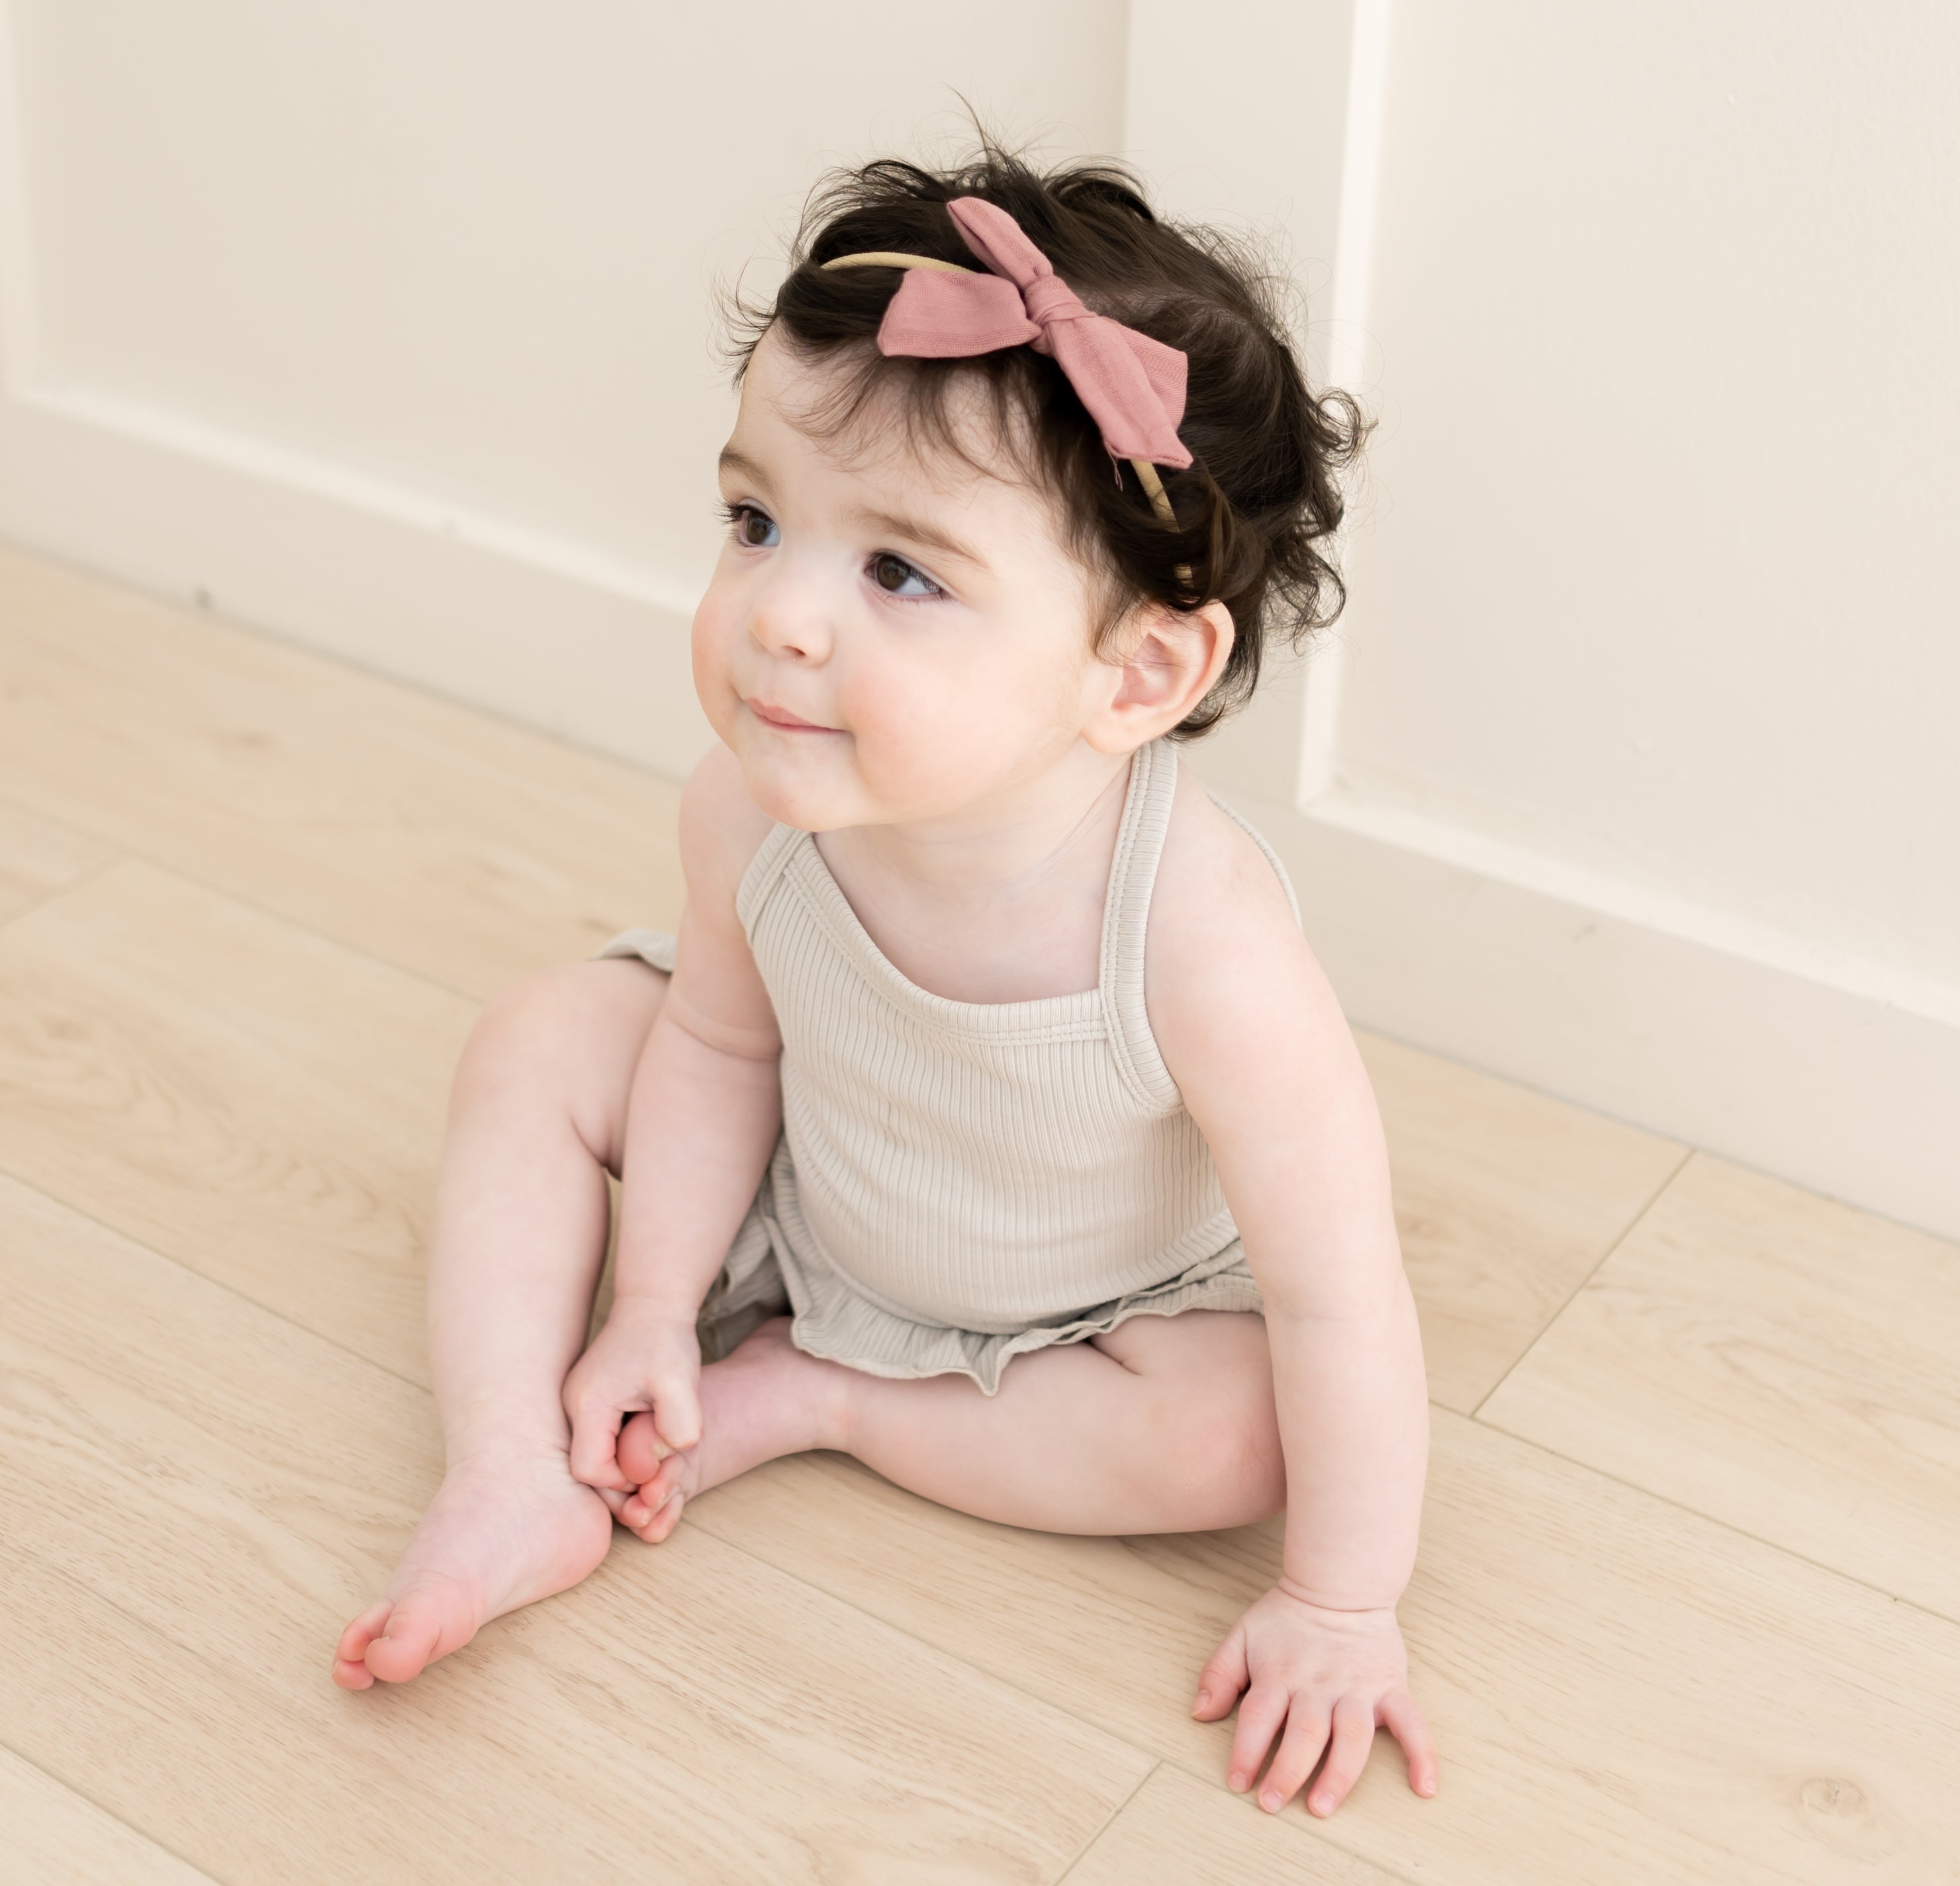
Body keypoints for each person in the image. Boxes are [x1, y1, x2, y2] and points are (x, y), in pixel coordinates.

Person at [333, 142, 1438, 1819]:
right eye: (755, 519)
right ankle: (510, 1463)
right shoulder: (757, 810)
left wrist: (1342, 1603)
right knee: (549, 1031)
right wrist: (646, 1307)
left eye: (900, 573)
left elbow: (1338, 1297)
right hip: (812, 1185)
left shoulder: (1206, 946)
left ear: (1136, 669)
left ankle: (830, 1397)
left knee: (1240, 1440)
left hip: (1083, 1315)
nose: (777, 614)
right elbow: (713, 1041)